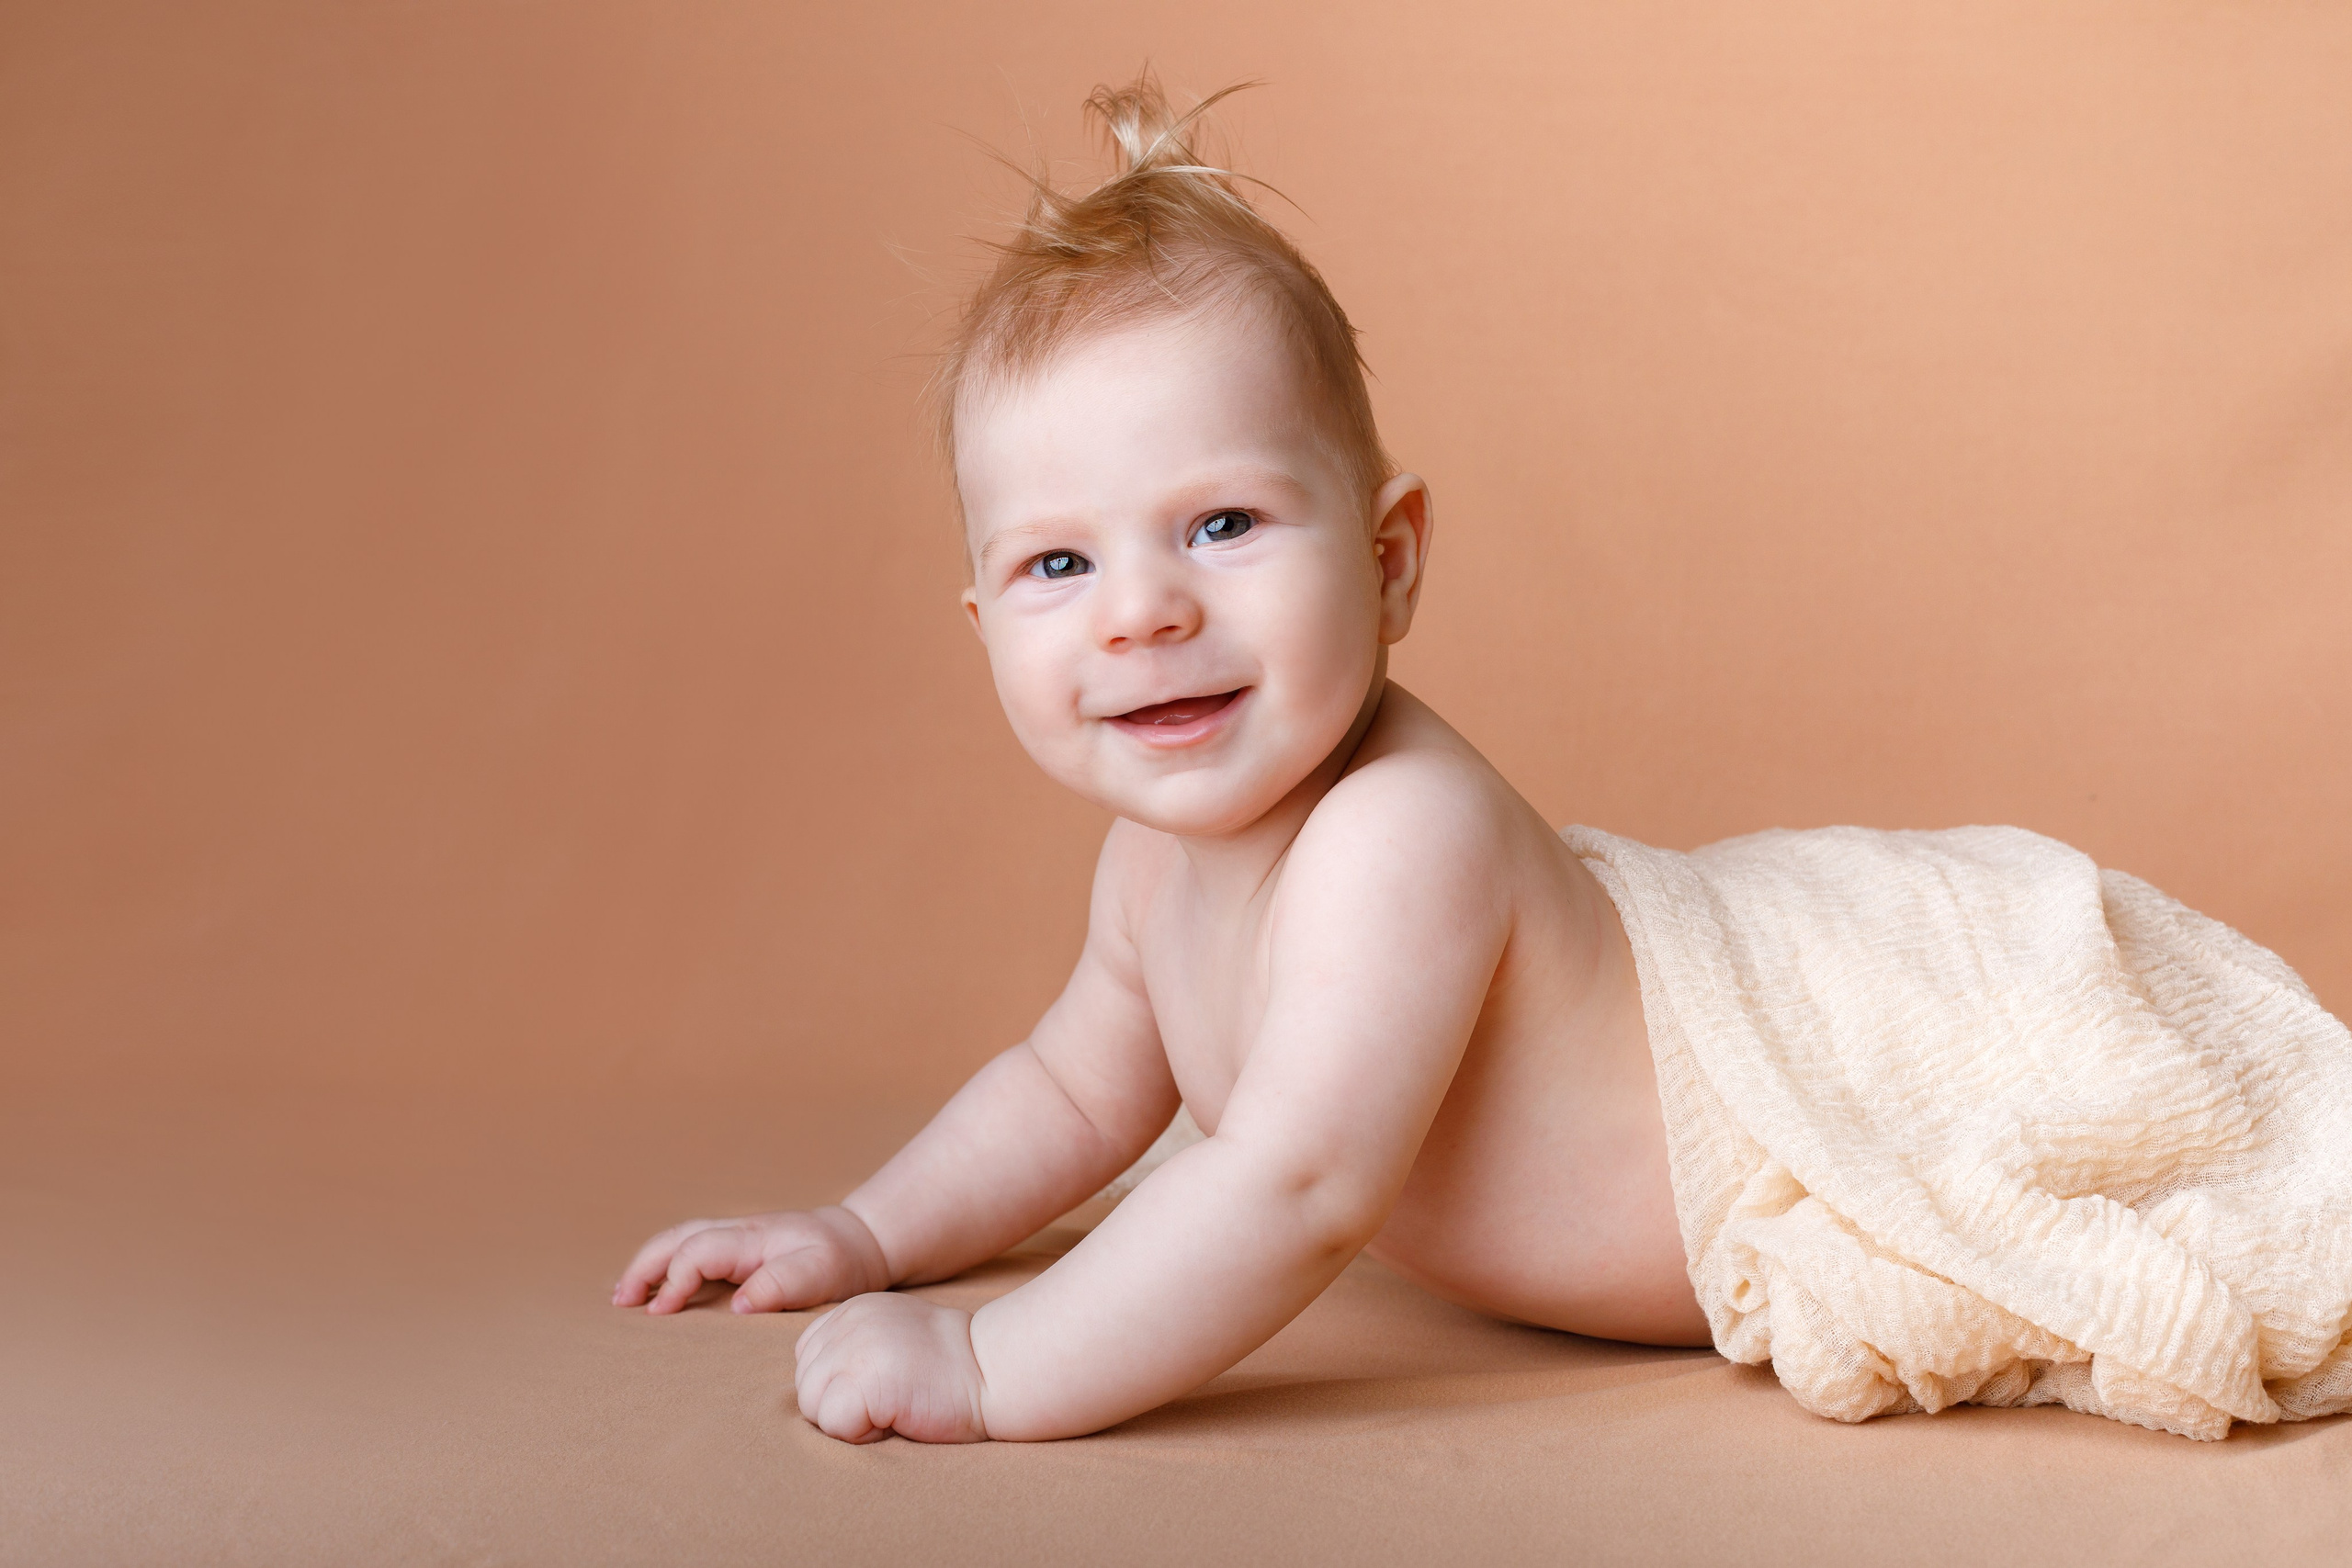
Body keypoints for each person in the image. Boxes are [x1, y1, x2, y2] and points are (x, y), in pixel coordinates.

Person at [614, 73, 2352, 1444]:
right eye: (1061, 564)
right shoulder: (1150, 865)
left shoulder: (1396, 835)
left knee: (2137, 1115)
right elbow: (1070, 1095)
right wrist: (863, 1237)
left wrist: (998, 1367)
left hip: (1769, 1051)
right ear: (984, 615)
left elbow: (1295, 1185)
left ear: (1388, 563)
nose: (1139, 613)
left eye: (1220, 524)